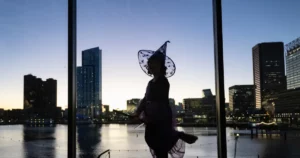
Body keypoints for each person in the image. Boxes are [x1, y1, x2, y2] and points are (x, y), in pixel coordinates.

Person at [133, 41, 198, 158]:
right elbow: (145, 98)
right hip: (152, 116)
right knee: (154, 142)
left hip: (160, 116)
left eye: (154, 63)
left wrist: (149, 117)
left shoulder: (163, 81)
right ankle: (176, 135)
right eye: (150, 64)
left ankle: (176, 135)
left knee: (160, 146)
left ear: (160, 65)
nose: (151, 66)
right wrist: (138, 112)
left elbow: (160, 102)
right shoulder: (150, 82)